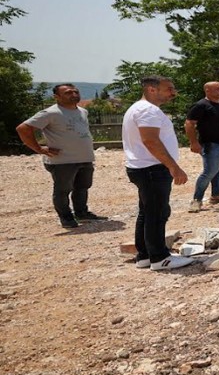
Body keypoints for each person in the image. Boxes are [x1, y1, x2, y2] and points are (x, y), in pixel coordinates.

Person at [122, 76, 194, 271]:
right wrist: (173, 166)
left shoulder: (138, 108)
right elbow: (151, 141)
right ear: (152, 90)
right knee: (158, 213)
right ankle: (160, 258)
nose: (173, 92)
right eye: (169, 89)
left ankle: (145, 255)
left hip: (143, 167)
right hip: (152, 168)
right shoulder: (148, 110)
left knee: (147, 212)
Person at [16, 83, 107, 228]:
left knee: (82, 187)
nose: (73, 95)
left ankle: (82, 213)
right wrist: (39, 148)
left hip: (84, 157)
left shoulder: (83, 111)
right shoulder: (50, 113)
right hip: (62, 161)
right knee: (62, 190)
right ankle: (66, 218)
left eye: (75, 92)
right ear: (56, 97)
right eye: (68, 93)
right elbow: (23, 128)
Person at [184, 81, 219, 213]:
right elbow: (189, 123)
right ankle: (196, 200)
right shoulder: (201, 105)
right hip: (211, 144)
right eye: (218, 89)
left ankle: (216, 195)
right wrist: (194, 142)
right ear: (207, 91)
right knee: (209, 172)